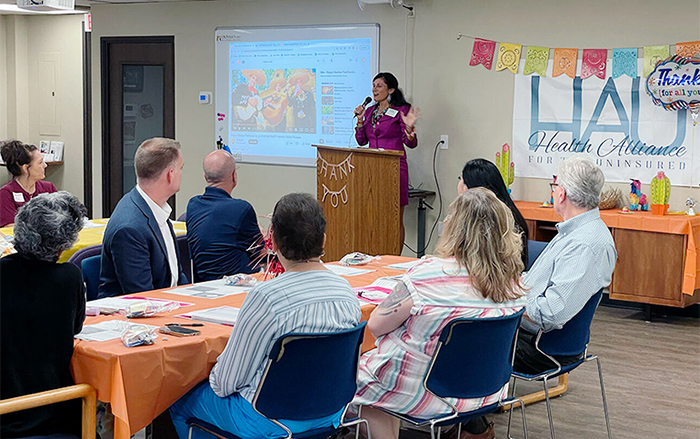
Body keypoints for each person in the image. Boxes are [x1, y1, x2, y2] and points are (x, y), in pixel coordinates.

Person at [170, 193, 361, 439]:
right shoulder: (347, 293)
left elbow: (227, 383)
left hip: (267, 419)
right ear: (323, 240)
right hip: (331, 413)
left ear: (273, 242)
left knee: (177, 398)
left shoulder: (267, 297)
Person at [353, 188, 527, 439]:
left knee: (360, 377)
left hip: (426, 393)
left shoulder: (427, 274)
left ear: (453, 228)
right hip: (487, 391)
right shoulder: (513, 285)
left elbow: (377, 325)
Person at [515, 158, 617, 374]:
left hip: (541, 348)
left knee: (458, 339)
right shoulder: (576, 232)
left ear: (561, 193)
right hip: (530, 333)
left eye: (554, 187)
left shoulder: (583, 244)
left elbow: (550, 314)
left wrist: (511, 298)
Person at [0, 191, 86, 437]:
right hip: (55, 408)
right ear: (63, 245)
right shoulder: (69, 277)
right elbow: (76, 327)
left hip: (5, 409)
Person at [99, 137, 188, 297]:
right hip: (134, 315)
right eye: (181, 168)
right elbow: (142, 297)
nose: (182, 174)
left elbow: (176, 276)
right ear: (170, 174)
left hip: (169, 305)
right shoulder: (130, 228)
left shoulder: (155, 208)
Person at [354, 72, 420, 249]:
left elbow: (410, 143)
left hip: (394, 168)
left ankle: (394, 257)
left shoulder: (401, 110)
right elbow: (361, 141)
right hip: (372, 169)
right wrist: (360, 121)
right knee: (374, 215)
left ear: (390, 89)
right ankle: (376, 253)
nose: (374, 89)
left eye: (379, 85)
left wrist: (409, 129)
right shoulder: (369, 111)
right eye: (373, 85)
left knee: (394, 217)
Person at [186, 150, 264, 282]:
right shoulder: (241, 209)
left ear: (205, 176)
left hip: (202, 284)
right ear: (234, 175)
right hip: (239, 283)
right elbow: (260, 255)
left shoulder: (193, 205)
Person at [458, 158, 529, 268]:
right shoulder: (511, 214)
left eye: (461, 179)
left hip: (489, 280)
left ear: (468, 188)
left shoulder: (480, 221)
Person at [0, 140, 57, 227]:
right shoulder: (6, 193)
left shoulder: (48, 188)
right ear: (25, 168)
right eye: (40, 162)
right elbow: (10, 227)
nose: (45, 165)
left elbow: (60, 217)